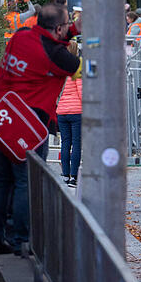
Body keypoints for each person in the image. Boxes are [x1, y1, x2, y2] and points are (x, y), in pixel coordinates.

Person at [0, 2, 80, 255]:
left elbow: (49, 39)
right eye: (67, 24)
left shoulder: (22, 36)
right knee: (25, 181)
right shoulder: (57, 56)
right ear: (59, 28)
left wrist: (72, 30)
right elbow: (77, 67)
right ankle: (21, 241)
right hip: (28, 125)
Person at [56, 40, 83, 187]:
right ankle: (74, 177)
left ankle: (65, 175)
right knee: (76, 144)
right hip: (76, 111)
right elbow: (81, 91)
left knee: (65, 143)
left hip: (61, 111)